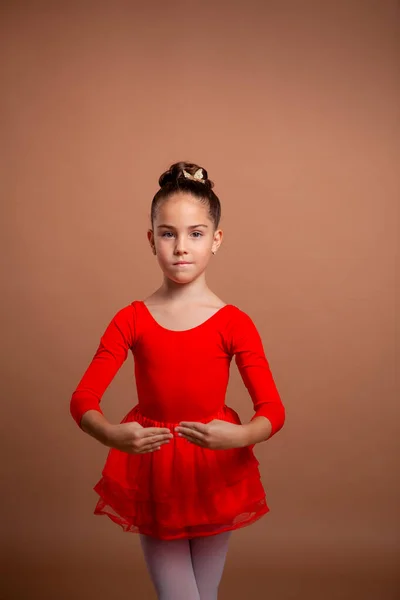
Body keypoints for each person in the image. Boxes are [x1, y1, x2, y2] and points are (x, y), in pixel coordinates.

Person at [70, 161, 286, 600]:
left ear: (216, 240)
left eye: (196, 233)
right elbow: (83, 398)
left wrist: (240, 436)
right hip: (155, 471)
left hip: (215, 471)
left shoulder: (234, 323)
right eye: (168, 233)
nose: (181, 247)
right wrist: (112, 434)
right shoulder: (129, 320)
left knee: (205, 595)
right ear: (151, 240)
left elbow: (273, 411)